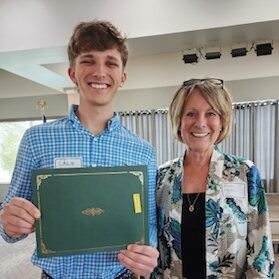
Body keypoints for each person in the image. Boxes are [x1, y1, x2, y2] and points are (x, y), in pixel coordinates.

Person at [0, 20, 159, 279]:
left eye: (110, 62)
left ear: (123, 77)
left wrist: (147, 251)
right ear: (72, 73)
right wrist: (10, 222)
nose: (99, 71)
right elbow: (8, 223)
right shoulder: (36, 139)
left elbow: (148, 223)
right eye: (88, 60)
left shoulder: (142, 151)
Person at [151, 78, 275, 278]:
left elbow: (261, 250)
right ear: (178, 120)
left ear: (222, 121)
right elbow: (154, 246)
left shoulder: (244, 173)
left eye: (211, 113)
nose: (200, 123)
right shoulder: (162, 177)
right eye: (190, 113)